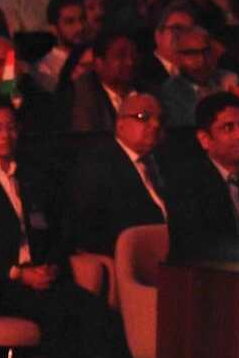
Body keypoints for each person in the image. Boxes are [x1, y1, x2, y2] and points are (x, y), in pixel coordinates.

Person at [0, 100, 128, 358]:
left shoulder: (32, 174)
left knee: (100, 316)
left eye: (11, 127)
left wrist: (50, 265)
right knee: (60, 317)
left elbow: (58, 229)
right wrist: (18, 273)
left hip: (43, 277)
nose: (5, 135)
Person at [165, 91, 239, 261]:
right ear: (204, 139)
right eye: (228, 128)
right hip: (199, 277)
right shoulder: (186, 182)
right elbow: (198, 246)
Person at [64, 92, 167, 258]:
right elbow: (92, 227)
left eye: (159, 119)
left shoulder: (162, 161)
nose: (155, 125)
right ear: (120, 125)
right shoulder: (99, 165)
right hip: (132, 257)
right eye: (144, 117)